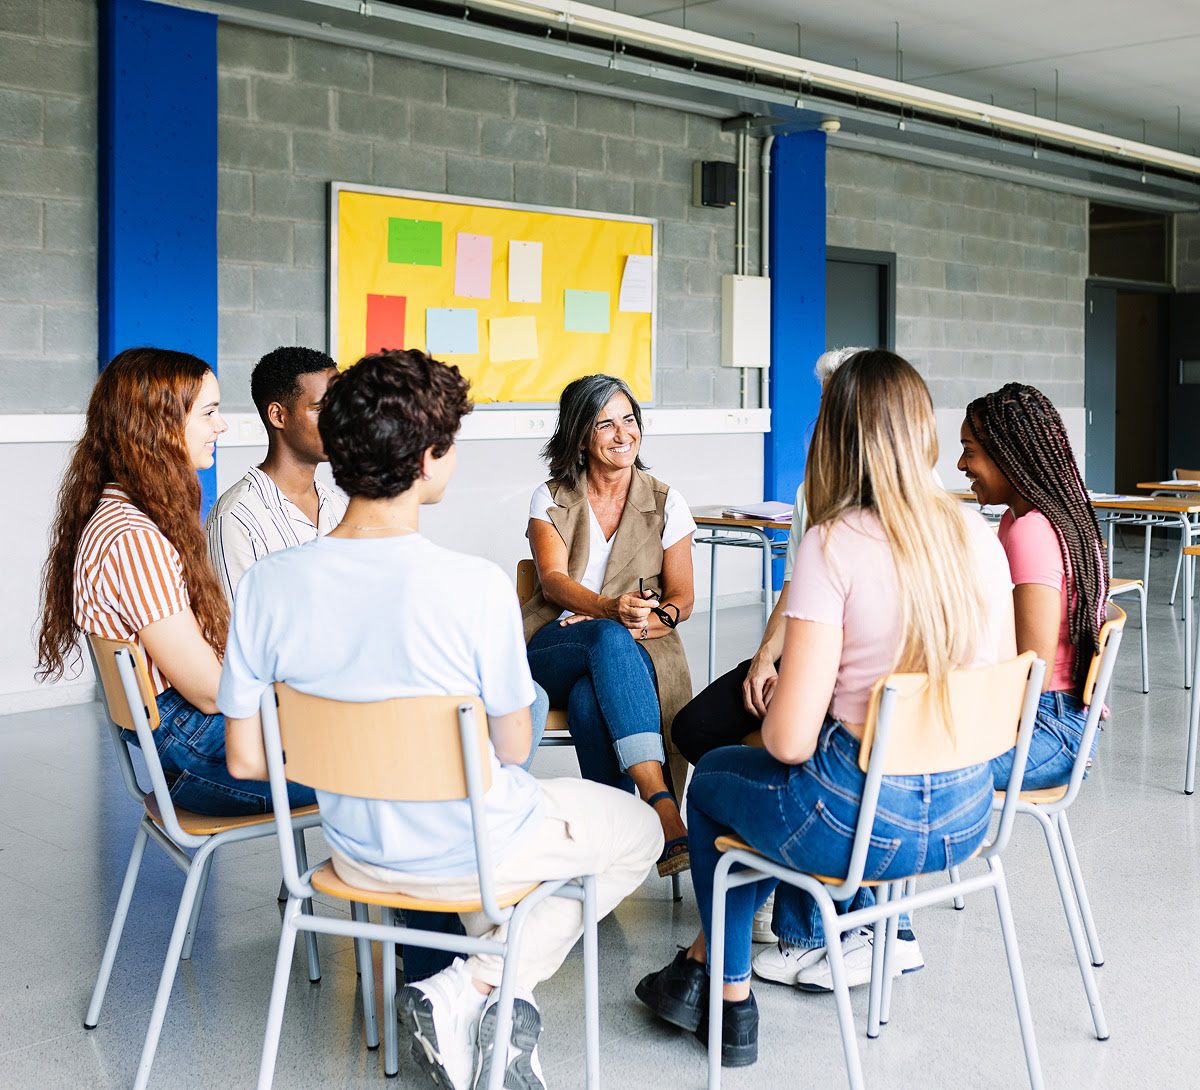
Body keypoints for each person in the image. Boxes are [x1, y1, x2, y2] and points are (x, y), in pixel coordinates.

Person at [218, 350, 662, 1090]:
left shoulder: (268, 583)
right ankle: (473, 986)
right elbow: (512, 747)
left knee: (513, 862)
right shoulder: (472, 587)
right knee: (638, 830)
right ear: (427, 458)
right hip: (472, 853)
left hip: (356, 854)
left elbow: (244, 758)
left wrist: (357, 758)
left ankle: (480, 1000)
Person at [635, 350, 1016, 1067]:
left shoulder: (833, 544)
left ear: (834, 437)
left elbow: (787, 742)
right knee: (756, 783)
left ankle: (731, 999)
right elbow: (999, 692)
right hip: (966, 818)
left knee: (715, 780)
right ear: (923, 432)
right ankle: (698, 971)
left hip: (860, 826)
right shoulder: (980, 538)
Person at [35, 347, 314, 817]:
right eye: (209, 413)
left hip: (186, 745)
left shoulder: (123, 513)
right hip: (199, 751)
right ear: (158, 424)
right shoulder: (133, 537)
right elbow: (210, 690)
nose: (221, 426)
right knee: (377, 756)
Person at [522, 373, 696, 877]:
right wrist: (608, 610)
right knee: (604, 635)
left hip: (635, 645)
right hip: (555, 643)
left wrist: (650, 618)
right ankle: (662, 807)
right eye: (605, 424)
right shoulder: (550, 497)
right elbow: (553, 582)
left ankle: (614, 844)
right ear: (580, 436)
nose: (624, 434)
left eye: (629, 419)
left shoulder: (666, 501)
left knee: (588, 700)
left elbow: (682, 598)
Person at [958, 382, 1109, 790]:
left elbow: (1034, 673)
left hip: (1048, 728)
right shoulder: (1028, 520)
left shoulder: (1032, 532)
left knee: (912, 762)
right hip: (1051, 717)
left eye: (969, 451)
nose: (960, 464)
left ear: (1008, 456)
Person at [205, 346, 347, 602]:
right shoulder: (237, 518)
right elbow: (235, 623)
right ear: (278, 416)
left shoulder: (338, 506)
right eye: (320, 409)